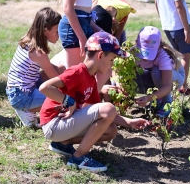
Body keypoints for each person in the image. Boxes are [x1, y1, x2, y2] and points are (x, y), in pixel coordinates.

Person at [39, 32, 149, 172]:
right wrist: (69, 101)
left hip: (64, 125)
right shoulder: (77, 71)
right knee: (108, 108)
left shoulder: (91, 79)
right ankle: (78, 158)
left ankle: (63, 143)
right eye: (112, 59)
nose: (112, 64)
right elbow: (45, 87)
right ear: (101, 55)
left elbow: (99, 112)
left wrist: (128, 122)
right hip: (53, 124)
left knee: (110, 131)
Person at [6, 7, 64, 128]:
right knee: (60, 99)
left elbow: (54, 70)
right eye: (57, 31)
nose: (60, 34)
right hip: (21, 97)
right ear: (45, 30)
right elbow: (55, 78)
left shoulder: (28, 41)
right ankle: (27, 110)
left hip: (15, 90)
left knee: (60, 69)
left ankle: (28, 107)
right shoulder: (39, 53)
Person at [132, 26, 185, 117]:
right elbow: (116, 70)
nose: (145, 58)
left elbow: (167, 85)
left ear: (158, 46)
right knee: (129, 75)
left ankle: (167, 103)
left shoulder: (162, 56)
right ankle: (157, 99)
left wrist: (148, 98)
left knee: (157, 72)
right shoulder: (132, 52)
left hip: (174, 79)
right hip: (153, 79)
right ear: (137, 42)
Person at [155, 0, 190, 95]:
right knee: (185, 56)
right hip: (179, 26)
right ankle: (183, 86)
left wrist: (164, 20)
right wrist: (186, 29)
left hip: (167, 25)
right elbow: (179, 6)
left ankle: (173, 83)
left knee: (176, 56)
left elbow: (156, 3)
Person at [56, 0, 102, 68]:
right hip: (74, 29)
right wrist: (82, 37)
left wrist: (97, 29)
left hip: (85, 23)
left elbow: (85, 12)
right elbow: (67, 7)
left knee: (89, 70)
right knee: (77, 74)